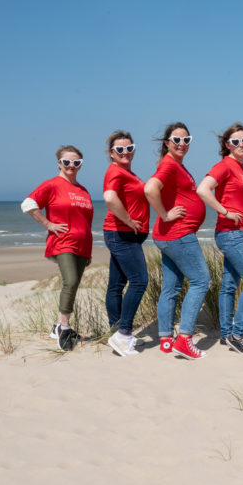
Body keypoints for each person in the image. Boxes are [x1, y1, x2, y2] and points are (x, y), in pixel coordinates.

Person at [144, 122, 210, 359]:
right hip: (178, 235)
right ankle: (184, 339)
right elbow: (150, 188)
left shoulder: (177, 165)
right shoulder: (169, 164)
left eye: (186, 140)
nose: (182, 144)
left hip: (167, 236)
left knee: (171, 288)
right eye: (176, 140)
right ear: (166, 143)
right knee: (202, 281)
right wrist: (164, 214)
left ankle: (165, 339)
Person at [197, 123, 243, 354]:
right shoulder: (225, 166)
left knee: (230, 285)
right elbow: (203, 189)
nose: (241, 145)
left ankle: (226, 335)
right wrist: (224, 211)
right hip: (230, 234)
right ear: (227, 145)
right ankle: (237, 334)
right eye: (235, 142)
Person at [21, 145, 93, 351]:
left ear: (80, 165)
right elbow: (28, 204)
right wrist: (49, 224)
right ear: (59, 164)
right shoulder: (52, 185)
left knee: (75, 285)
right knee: (70, 281)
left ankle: (56, 327)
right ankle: (64, 327)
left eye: (76, 162)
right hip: (63, 242)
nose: (72, 166)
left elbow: (86, 222)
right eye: (67, 162)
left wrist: (88, 251)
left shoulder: (84, 190)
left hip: (82, 245)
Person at [103, 130, 151, 356]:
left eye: (129, 148)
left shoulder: (126, 172)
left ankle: (117, 333)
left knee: (117, 284)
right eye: (120, 149)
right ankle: (123, 333)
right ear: (111, 153)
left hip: (123, 234)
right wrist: (128, 219)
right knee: (140, 281)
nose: (125, 152)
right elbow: (110, 198)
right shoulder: (115, 171)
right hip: (121, 234)